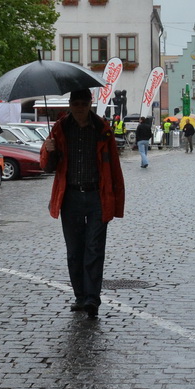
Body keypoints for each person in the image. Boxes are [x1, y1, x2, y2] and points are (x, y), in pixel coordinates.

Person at [41, 85, 126, 316]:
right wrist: (49, 150)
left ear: (90, 104)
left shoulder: (102, 129)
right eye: (76, 104)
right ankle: (80, 296)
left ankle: (92, 299)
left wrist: (116, 200)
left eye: (84, 104)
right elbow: (47, 166)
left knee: (95, 248)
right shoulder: (59, 129)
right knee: (74, 251)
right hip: (69, 197)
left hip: (97, 196)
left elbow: (114, 168)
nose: (79, 108)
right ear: (70, 106)